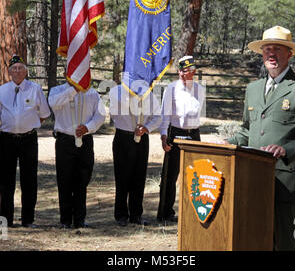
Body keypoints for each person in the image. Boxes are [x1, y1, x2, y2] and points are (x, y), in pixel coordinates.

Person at [222, 26, 295, 251]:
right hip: (252, 179)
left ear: (289, 54)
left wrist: (286, 150)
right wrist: (227, 144)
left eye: (277, 49)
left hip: (286, 181)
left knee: (287, 243)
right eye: (267, 48)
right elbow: (248, 130)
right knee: (257, 240)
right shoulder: (253, 89)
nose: (271, 53)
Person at [0, 54, 50, 228]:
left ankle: (28, 219)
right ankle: (6, 218)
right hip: (7, 140)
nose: (17, 71)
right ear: (9, 72)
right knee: (5, 180)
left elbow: (44, 114)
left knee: (29, 179)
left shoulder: (35, 89)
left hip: (28, 139)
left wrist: (29, 124)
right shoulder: (2, 90)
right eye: (14, 68)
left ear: (26, 71)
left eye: (20, 68)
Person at [48, 77, 105, 229]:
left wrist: (88, 127)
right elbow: (53, 104)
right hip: (64, 141)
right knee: (64, 180)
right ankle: (65, 219)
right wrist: (74, 90)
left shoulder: (92, 93)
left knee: (82, 180)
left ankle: (80, 218)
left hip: (85, 141)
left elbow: (100, 115)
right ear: (67, 72)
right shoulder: (57, 91)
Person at [157, 56, 206, 223]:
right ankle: (166, 212)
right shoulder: (171, 89)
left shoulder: (200, 89)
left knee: (194, 175)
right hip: (176, 133)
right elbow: (165, 115)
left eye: (190, 71)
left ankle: (193, 211)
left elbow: (198, 113)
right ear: (179, 72)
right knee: (170, 176)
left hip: (193, 134)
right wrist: (164, 137)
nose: (187, 75)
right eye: (183, 71)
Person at [109, 82, 161, 227]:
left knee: (139, 176)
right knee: (122, 176)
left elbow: (158, 116)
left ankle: (136, 214)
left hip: (142, 138)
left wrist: (146, 128)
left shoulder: (148, 93)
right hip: (123, 137)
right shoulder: (116, 91)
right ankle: (121, 214)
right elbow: (115, 112)